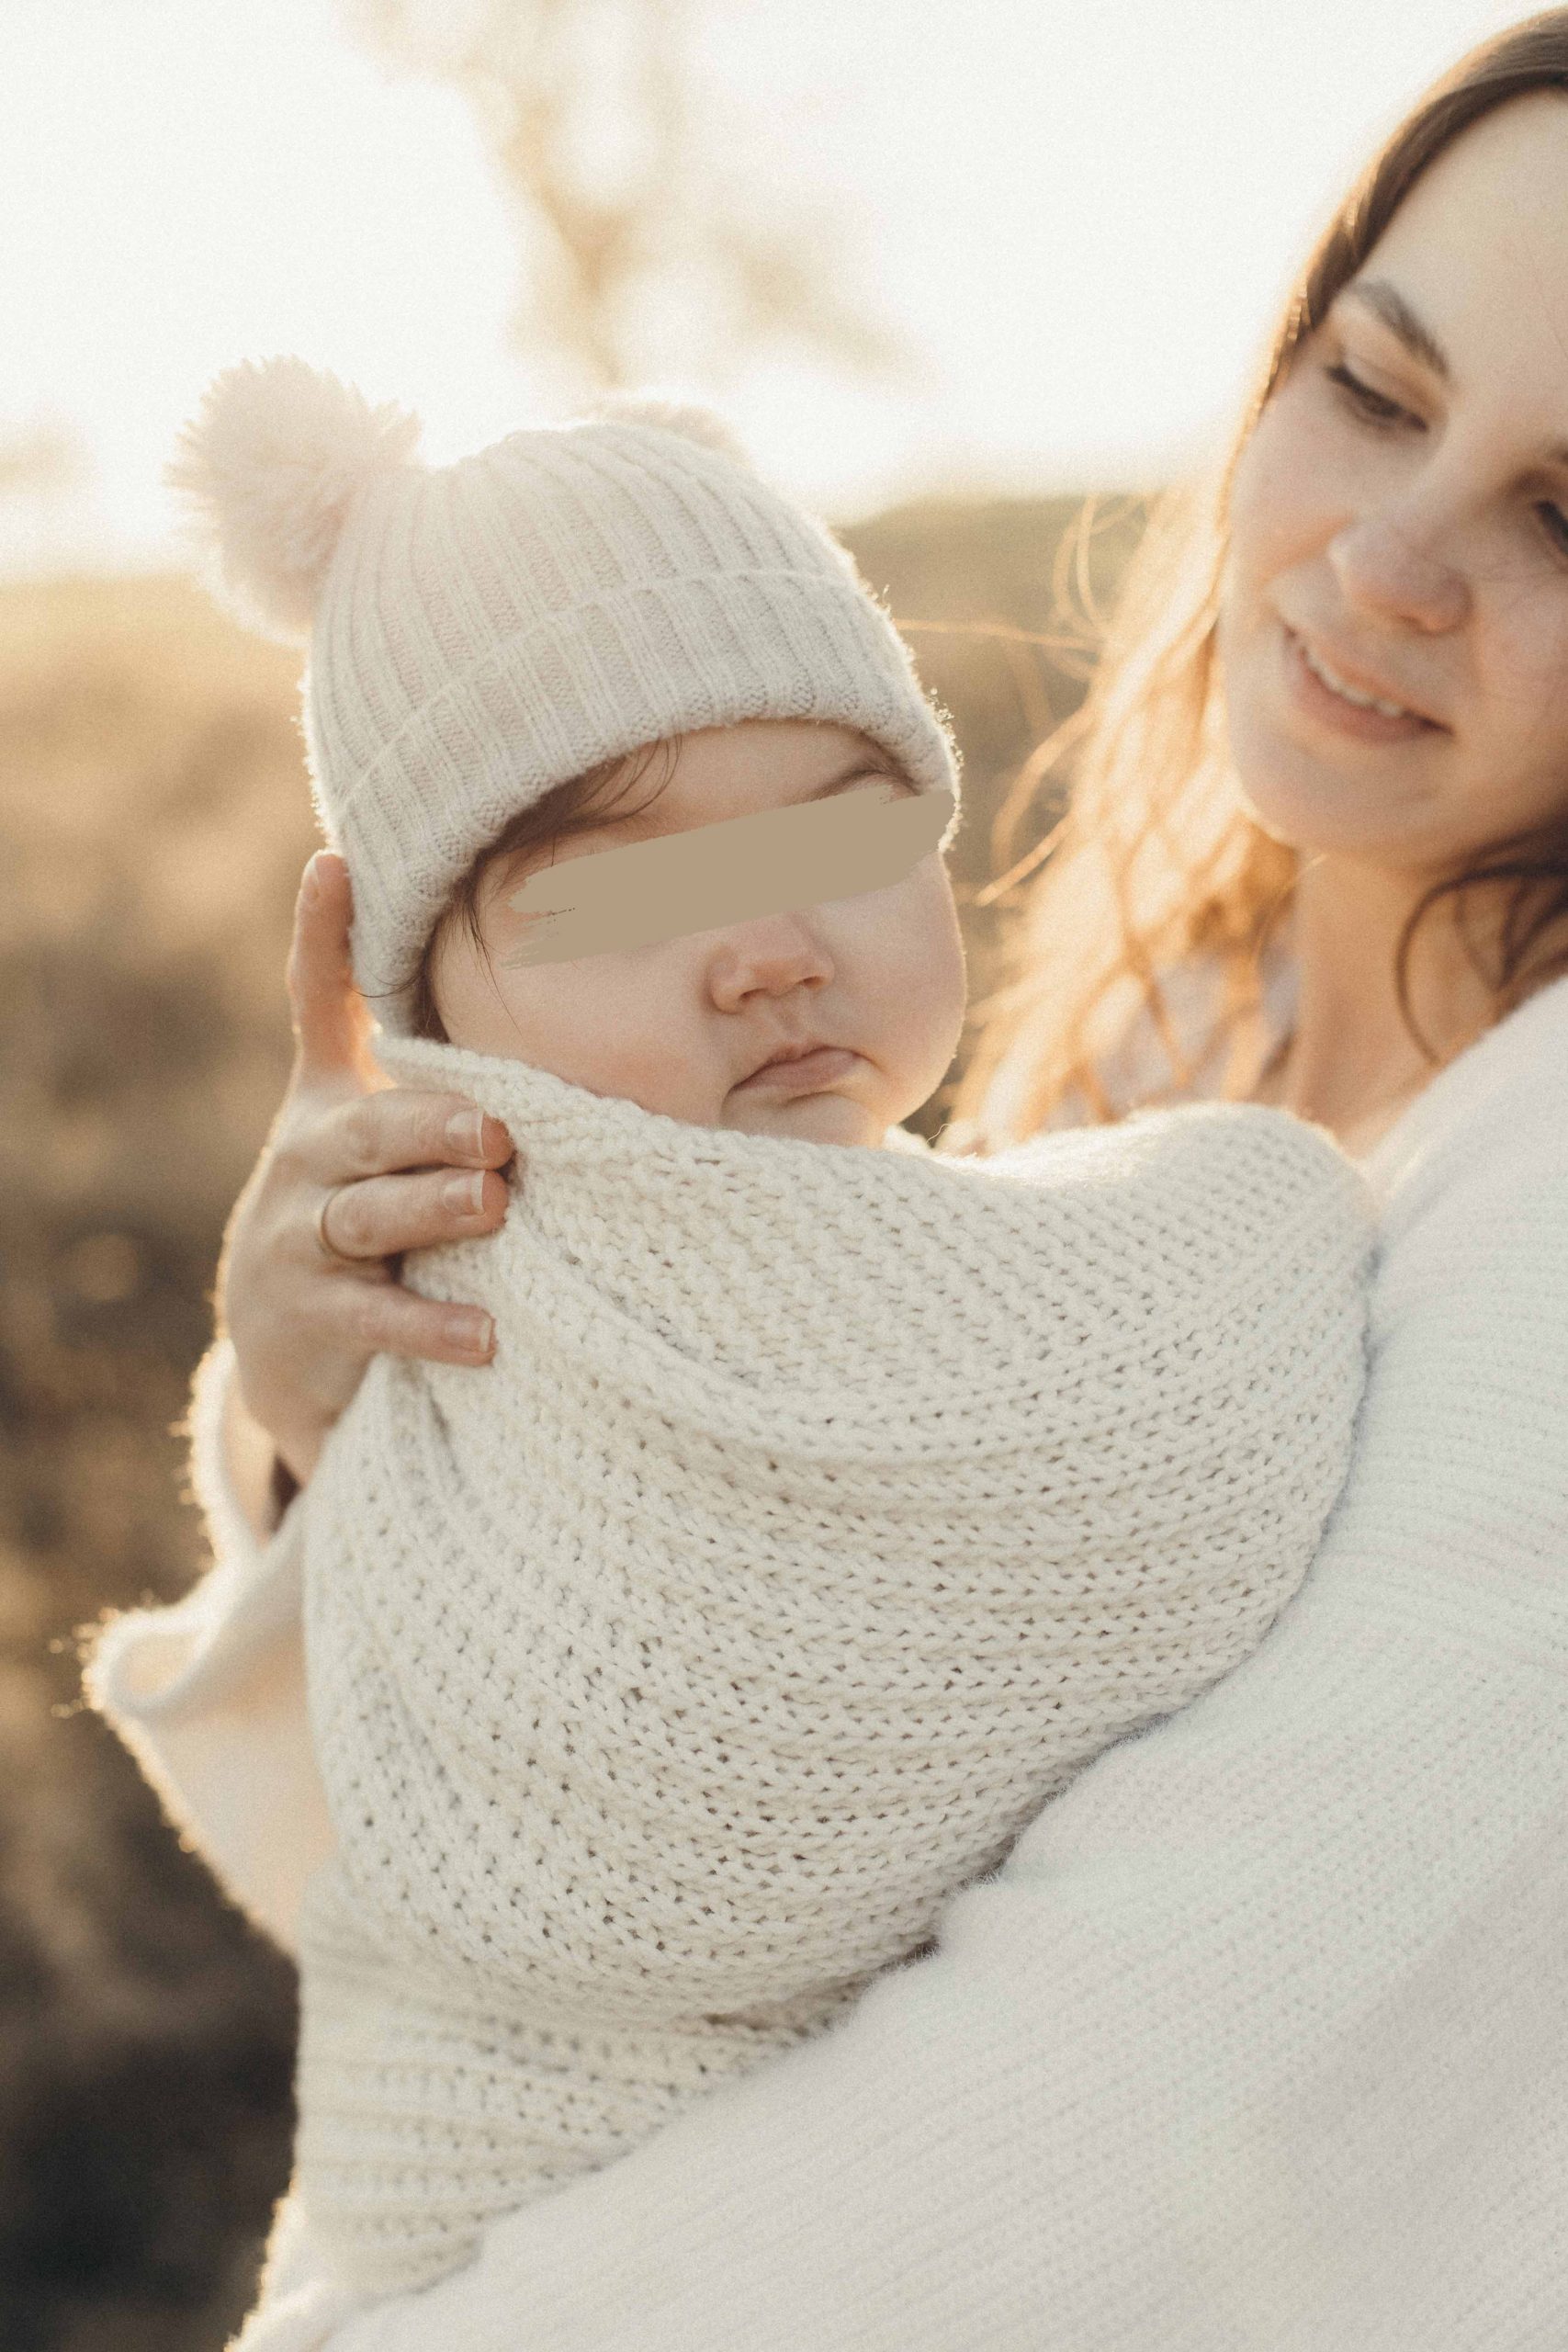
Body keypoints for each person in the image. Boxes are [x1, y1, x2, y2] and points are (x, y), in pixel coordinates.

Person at [85, 14, 1568, 2346]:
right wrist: (327, 1400)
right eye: (1375, 392)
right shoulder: (1162, 1003)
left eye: (1562, 514)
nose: (1384, 557)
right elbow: (622, 1775)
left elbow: (1127, 2105)